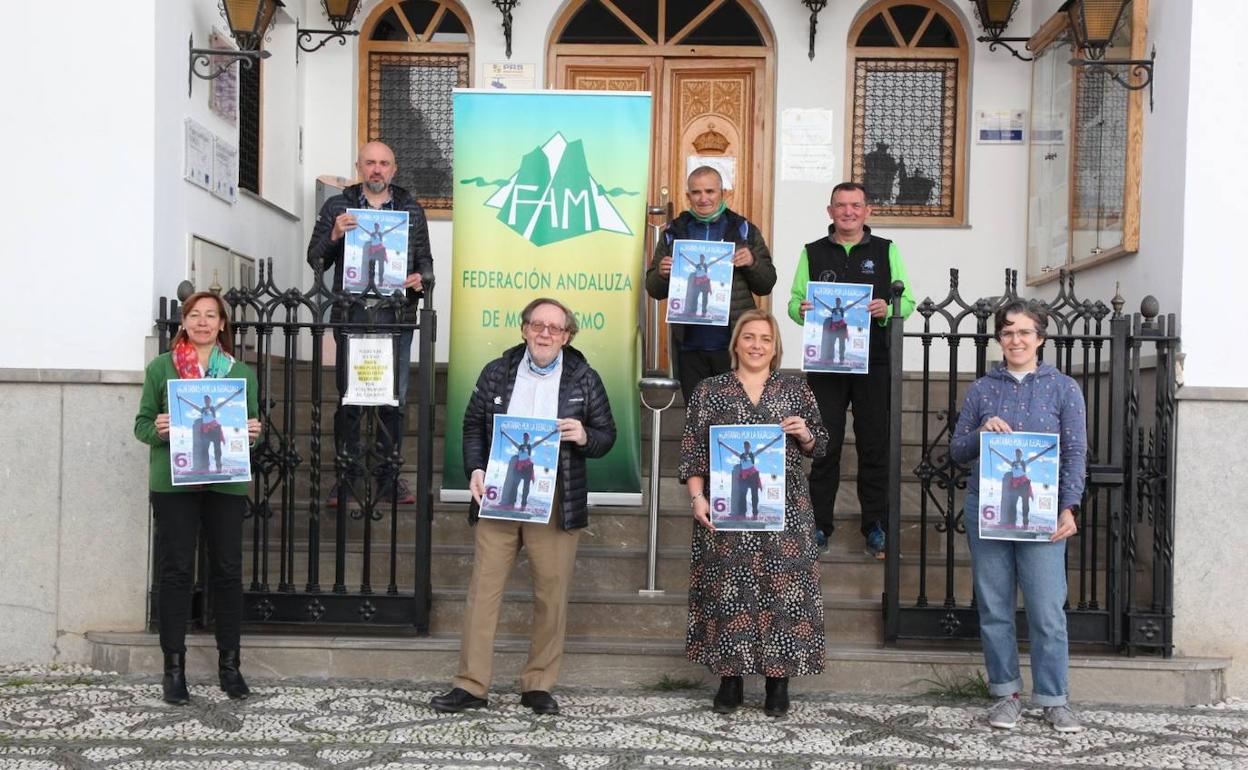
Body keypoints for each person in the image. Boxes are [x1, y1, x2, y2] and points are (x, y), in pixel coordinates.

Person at [430, 298, 616, 716]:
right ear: (524, 329)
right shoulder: (497, 371)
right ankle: (471, 685)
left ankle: (538, 685)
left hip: (553, 500)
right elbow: (473, 426)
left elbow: (608, 437)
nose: (545, 333)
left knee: (551, 594)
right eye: (537, 325)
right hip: (499, 496)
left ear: (568, 335)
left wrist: (585, 435)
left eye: (554, 327)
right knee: (483, 592)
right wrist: (475, 469)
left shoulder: (584, 377)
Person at [680, 309, 829, 717]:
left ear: (775, 345)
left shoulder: (795, 389)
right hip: (728, 511)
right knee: (729, 591)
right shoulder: (710, 391)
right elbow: (693, 450)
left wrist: (805, 434)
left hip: (786, 512)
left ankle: (777, 684)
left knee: (784, 595)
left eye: (765, 338)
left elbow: (823, 444)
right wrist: (698, 498)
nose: (757, 345)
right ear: (736, 344)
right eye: (748, 337)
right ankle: (730, 681)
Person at [949, 299, 1087, 733]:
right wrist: (979, 432)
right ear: (1000, 339)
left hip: (1043, 512)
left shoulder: (1064, 388)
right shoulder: (981, 390)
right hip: (988, 509)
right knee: (994, 607)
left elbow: (1076, 453)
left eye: (1025, 332)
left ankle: (1053, 698)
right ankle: (1005, 694)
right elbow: (955, 451)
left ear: (1041, 338)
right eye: (1008, 332)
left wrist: (1069, 505)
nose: (1016, 340)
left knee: (1047, 610)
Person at [134, 291, 262, 705]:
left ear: (222, 324)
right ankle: (174, 669)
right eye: (195, 315)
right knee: (174, 571)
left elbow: (250, 427)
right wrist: (160, 429)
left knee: (226, 570)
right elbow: (141, 426)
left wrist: (253, 435)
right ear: (184, 323)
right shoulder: (162, 368)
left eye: (211, 315)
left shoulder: (240, 373)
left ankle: (230, 667)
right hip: (175, 484)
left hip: (225, 483)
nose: (203, 322)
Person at [788, 181, 916, 559]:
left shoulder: (885, 250)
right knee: (822, 444)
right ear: (830, 212)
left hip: (874, 362)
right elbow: (795, 303)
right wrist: (802, 311)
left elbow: (905, 300)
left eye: (855, 205)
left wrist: (886, 309)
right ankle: (817, 525)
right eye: (840, 206)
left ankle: (875, 525)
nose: (848, 212)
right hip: (826, 365)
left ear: (867, 211)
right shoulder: (812, 252)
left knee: (874, 443)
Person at [307, 141, 433, 507]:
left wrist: (419, 277)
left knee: (393, 401)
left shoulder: (410, 208)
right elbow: (315, 260)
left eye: (384, 164)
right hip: (353, 314)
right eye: (370, 163)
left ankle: (387, 477)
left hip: (397, 317)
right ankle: (345, 478)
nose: (377, 169)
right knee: (350, 399)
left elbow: (425, 261)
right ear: (359, 167)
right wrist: (333, 235)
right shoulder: (337, 206)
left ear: (394, 170)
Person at [646, 166, 776, 403]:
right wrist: (662, 273)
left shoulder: (744, 230)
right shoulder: (673, 232)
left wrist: (753, 262)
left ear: (723, 193)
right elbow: (653, 289)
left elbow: (766, 284)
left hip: (733, 344)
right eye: (696, 192)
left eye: (709, 191)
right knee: (696, 416)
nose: (703, 198)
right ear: (688, 196)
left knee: (734, 414)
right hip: (689, 345)